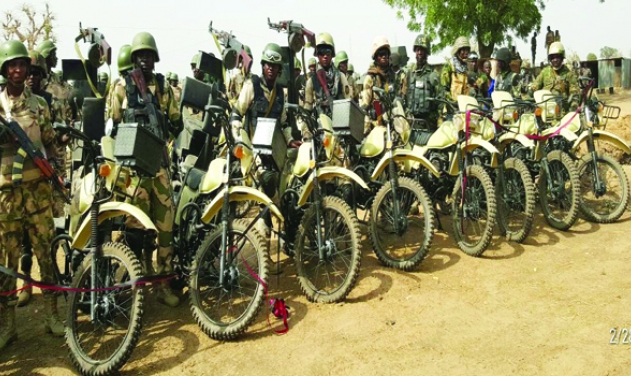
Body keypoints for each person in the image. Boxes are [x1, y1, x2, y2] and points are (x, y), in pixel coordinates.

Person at [0, 40, 67, 350]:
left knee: (45, 253)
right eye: (12, 65)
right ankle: (8, 324)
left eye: (22, 65)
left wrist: (60, 173)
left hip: (38, 193)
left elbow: (52, 142)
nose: (17, 69)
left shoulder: (39, 104)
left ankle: (53, 315)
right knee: (6, 260)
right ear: (4, 69)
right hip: (6, 195)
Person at [109, 32, 183, 307]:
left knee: (165, 229)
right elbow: (113, 126)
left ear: (154, 59)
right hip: (134, 171)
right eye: (139, 55)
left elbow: (177, 122)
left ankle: (162, 284)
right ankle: (130, 284)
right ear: (133, 59)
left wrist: (162, 138)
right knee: (133, 230)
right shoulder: (121, 87)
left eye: (148, 55)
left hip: (160, 169)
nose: (144, 60)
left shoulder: (162, 88)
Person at [230, 42, 299, 237]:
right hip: (255, 152)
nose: (271, 69)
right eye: (268, 64)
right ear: (263, 66)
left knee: (291, 187)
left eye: (275, 66)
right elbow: (237, 114)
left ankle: (287, 230)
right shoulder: (251, 86)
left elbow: (284, 123)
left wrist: (291, 140)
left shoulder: (280, 95)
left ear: (279, 70)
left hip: (276, 151)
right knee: (266, 184)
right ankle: (268, 231)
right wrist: (240, 141)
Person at [304, 33, 352, 119]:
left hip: (340, 122)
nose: (325, 56)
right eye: (322, 52)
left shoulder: (341, 77)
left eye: (328, 52)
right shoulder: (312, 81)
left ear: (332, 54)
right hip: (320, 125)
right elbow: (307, 110)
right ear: (317, 55)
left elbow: (349, 102)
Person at [403, 34, 444, 131]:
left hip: (429, 125)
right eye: (417, 50)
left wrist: (440, 123)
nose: (420, 52)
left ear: (427, 52)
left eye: (422, 50)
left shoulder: (433, 75)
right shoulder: (409, 74)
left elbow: (440, 102)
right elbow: (403, 96)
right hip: (411, 123)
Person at [360, 36, 397, 134]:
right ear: (376, 57)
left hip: (393, 122)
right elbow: (364, 106)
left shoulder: (393, 77)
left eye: (386, 53)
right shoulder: (370, 78)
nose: (384, 56)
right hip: (375, 125)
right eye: (381, 54)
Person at [530, 42, 579, 106]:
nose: (555, 60)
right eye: (552, 57)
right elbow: (535, 87)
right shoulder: (544, 72)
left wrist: (573, 105)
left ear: (562, 57)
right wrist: (528, 92)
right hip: (543, 107)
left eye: (557, 57)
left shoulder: (569, 74)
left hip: (561, 110)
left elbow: (574, 94)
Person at [440, 36, 472, 101]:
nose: (466, 52)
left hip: (464, 106)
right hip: (451, 106)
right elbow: (443, 89)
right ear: (457, 50)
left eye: (467, 50)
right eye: (463, 50)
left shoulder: (466, 69)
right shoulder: (449, 66)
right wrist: (450, 100)